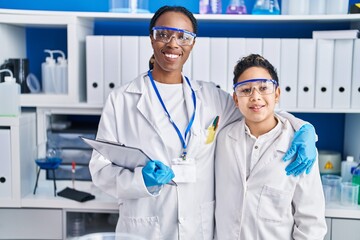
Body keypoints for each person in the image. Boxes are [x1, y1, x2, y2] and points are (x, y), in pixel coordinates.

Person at [89, 5, 317, 240]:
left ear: (193, 43)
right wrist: (140, 180)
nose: (173, 44)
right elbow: (100, 170)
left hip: (197, 230)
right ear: (151, 38)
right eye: (164, 34)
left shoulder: (211, 97)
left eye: (183, 37)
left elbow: (257, 108)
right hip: (145, 228)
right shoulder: (121, 100)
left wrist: (304, 128)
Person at [214, 54, 327, 240]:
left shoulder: (298, 147)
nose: (255, 97)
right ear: (235, 99)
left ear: (277, 94)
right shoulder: (223, 139)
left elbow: (311, 223)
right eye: (246, 90)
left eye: (263, 88)